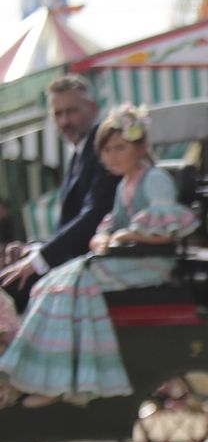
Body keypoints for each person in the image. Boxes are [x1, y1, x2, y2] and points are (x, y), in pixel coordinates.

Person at [0, 105, 196, 408]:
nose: (112, 156)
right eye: (106, 150)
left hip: (150, 263)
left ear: (140, 147)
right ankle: (42, 375)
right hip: (126, 259)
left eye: (120, 148)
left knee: (70, 284)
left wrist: (129, 236)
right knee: (51, 283)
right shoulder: (124, 185)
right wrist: (106, 237)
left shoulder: (154, 179)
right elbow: (111, 226)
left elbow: (168, 230)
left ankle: (57, 381)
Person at [0, 75, 119, 310]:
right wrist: (34, 248)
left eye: (71, 111)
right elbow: (71, 223)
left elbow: (94, 215)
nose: (65, 121)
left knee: (8, 285)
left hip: (90, 263)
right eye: (58, 114)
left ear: (92, 108)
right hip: (75, 260)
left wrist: (40, 258)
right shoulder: (80, 152)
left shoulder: (105, 151)